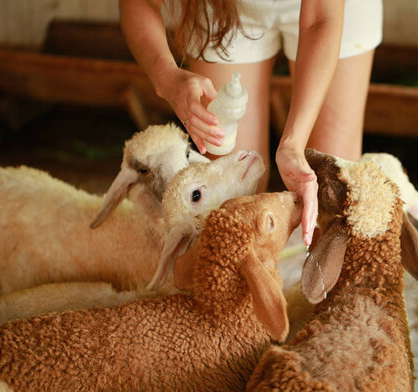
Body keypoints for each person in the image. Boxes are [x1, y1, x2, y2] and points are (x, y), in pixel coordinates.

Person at [119, 0, 383, 246]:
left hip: (329, 10)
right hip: (223, 8)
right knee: (231, 205)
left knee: (333, 196)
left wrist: (293, 143)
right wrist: (167, 77)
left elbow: (320, 19)